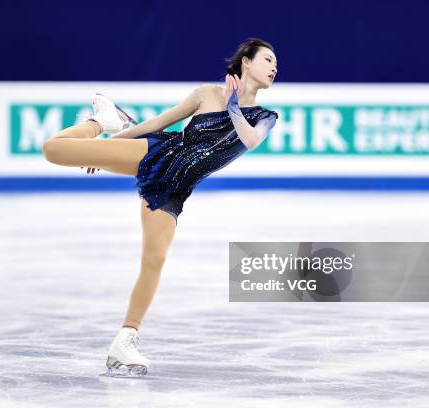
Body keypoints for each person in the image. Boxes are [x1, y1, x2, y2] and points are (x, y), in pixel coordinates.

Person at [42, 38, 278, 376]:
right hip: (157, 153)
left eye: (275, 64)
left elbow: (250, 139)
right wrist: (110, 143)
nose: (273, 67)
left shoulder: (266, 116)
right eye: (267, 59)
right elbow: (157, 124)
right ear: (245, 62)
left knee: (154, 259)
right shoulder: (205, 94)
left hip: (174, 189)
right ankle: (102, 122)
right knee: (54, 150)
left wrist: (235, 106)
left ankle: (125, 339)